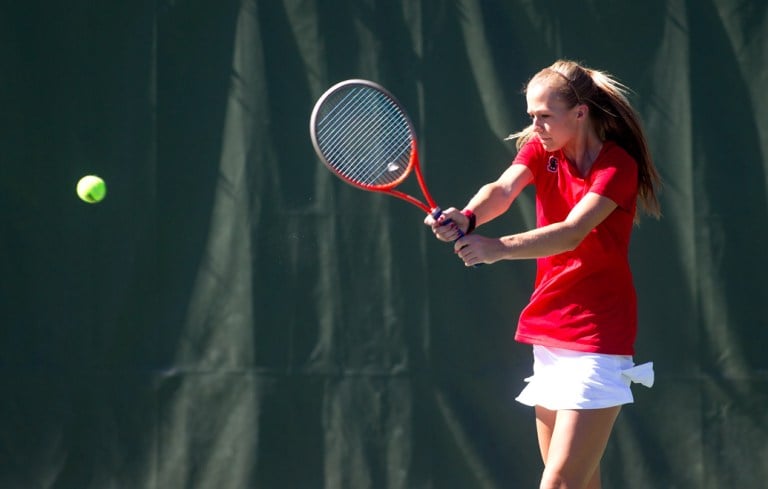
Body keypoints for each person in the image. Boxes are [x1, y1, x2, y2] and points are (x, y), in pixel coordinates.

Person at [425, 59, 661, 489]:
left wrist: (495, 249)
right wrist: (470, 217)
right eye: (531, 116)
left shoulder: (617, 167)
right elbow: (502, 189)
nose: (536, 126)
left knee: (558, 484)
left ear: (580, 113)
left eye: (545, 117)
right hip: (550, 335)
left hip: (597, 339)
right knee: (581, 484)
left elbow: (572, 233)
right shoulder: (539, 148)